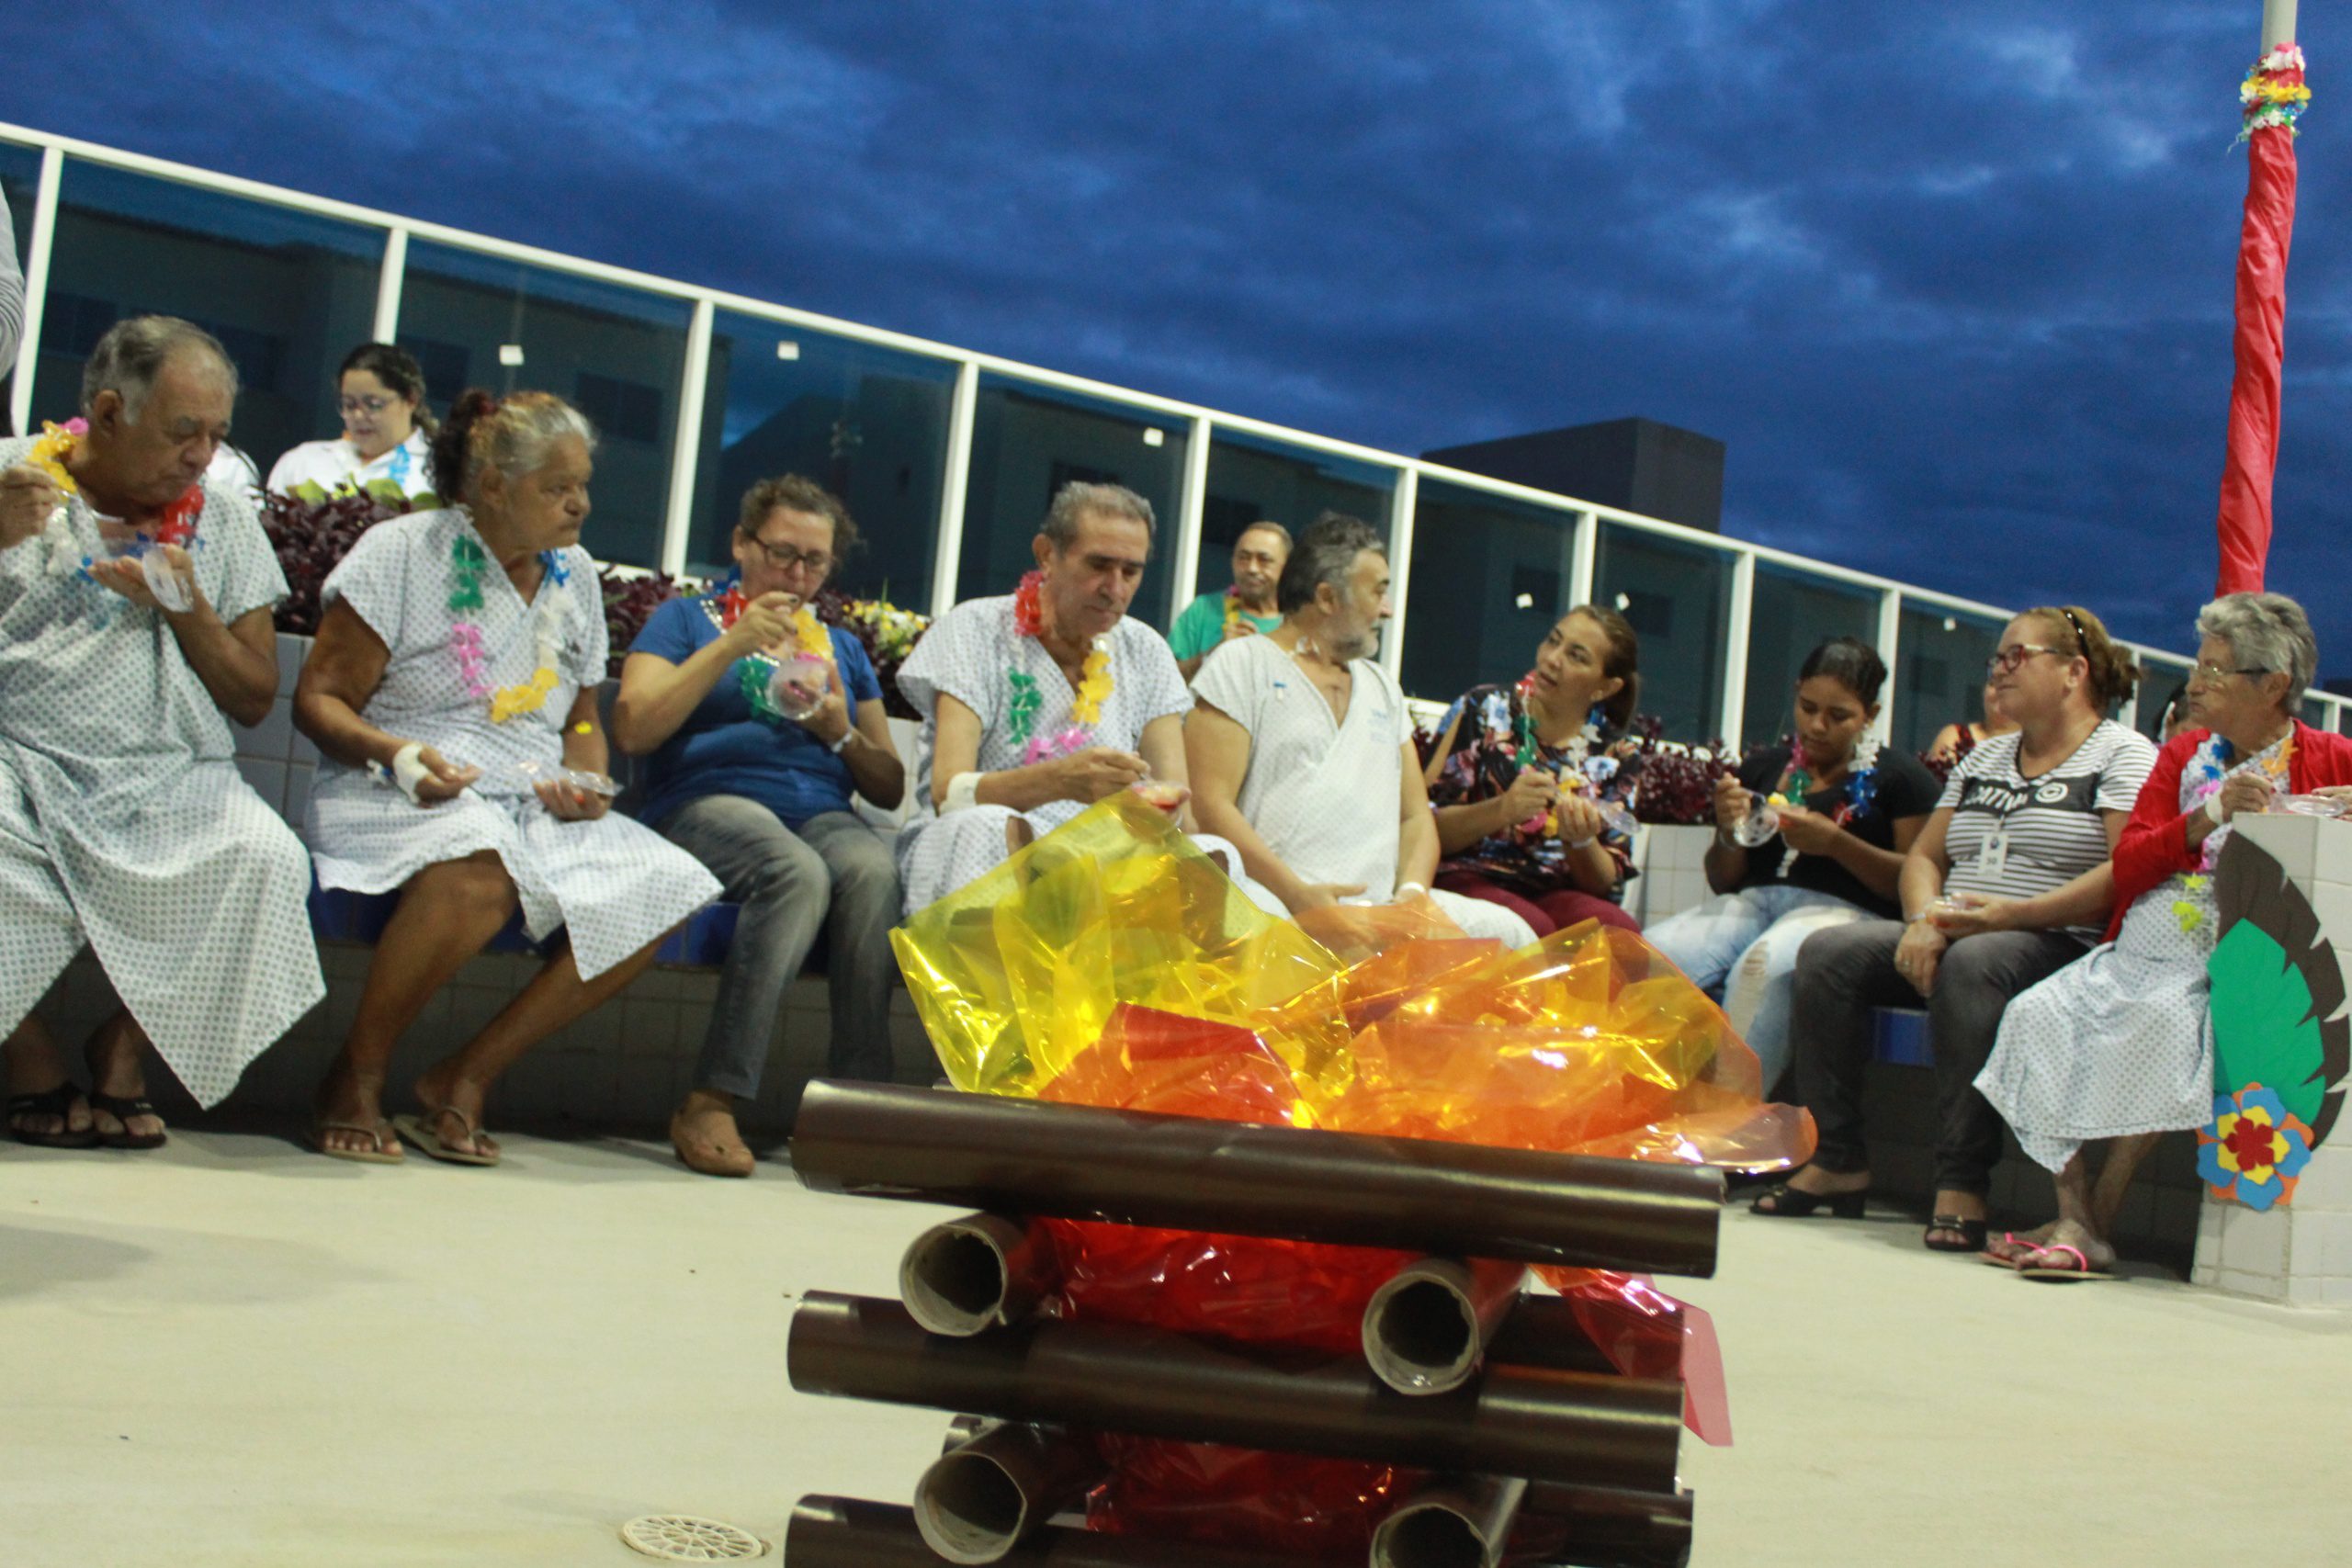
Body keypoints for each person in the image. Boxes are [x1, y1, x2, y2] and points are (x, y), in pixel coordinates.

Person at [296, 389, 720, 1165]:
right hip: (400, 780)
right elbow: (317, 700)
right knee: (480, 867)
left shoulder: (576, 576)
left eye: (584, 484)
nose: (581, 504)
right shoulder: (403, 551)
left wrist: (590, 784)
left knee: (665, 880)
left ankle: (463, 1075)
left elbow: (582, 714)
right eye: (559, 487)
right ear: (493, 485)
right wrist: (398, 755)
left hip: (530, 791)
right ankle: (353, 1076)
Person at [0, 316, 322, 1147]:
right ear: (108, 413)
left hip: (167, 779)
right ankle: (27, 1062)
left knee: (267, 859)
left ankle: (124, 1053)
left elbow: (254, 696)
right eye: (185, 431)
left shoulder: (221, 518)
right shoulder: (10, 481)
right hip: (16, 760)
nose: (203, 455)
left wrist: (189, 612)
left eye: (217, 434)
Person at [1756, 604, 2156, 1252]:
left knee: (1976, 964)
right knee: (1828, 951)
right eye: (1996, 658)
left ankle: (1961, 1180)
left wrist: (2008, 915)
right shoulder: (1986, 757)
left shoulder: (2123, 754)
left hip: (2057, 941)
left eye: (2015, 656)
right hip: (1958, 930)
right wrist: (1922, 921)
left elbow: (2123, 871)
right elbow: (1925, 857)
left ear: (2073, 671)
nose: (1997, 671)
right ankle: (1838, 1157)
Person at [1975, 594, 2352, 1276]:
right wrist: (2209, 811)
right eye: (2199, 666)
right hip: (2144, 936)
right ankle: (2078, 1218)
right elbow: (2130, 863)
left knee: (2166, 1024)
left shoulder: (2330, 756)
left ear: (2272, 685)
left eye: (2215, 670)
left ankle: (2092, 1220)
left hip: (2234, 950)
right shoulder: (2183, 756)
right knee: (2038, 1013)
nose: (2196, 683)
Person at [615, 475, 906, 1177]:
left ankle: (859, 1104)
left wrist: (840, 733)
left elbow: (889, 786)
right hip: (706, 800)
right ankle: (712, 1096)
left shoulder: (841, 648)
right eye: (782, 554)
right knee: (794, 872)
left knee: (873, 871)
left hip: (821, 809)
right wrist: (732, 642)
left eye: (815, 562)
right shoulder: (685, 620)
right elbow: (633, 727)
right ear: (742, 545)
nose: (798, 576)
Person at [896, 481, 1251, 912]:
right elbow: (948, 791)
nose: (1115, 588)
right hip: (974, 836)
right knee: (984, 826)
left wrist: (1161, 814)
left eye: (1131, 572)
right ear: (1047, 554)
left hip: (1100, 853)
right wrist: (1061, 780)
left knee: (1215, 853)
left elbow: (1178, 806)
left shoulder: (1146, 650)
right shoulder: (975, 629)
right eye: (1099, 565)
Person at [1186, 513, 1536, 949]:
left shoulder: (1382, 687)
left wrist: (1411, 898)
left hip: (1380, 912)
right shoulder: (1242, 664)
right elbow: (1209, 805)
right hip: (1273, 900)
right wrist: (1300, 899)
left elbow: (1415, 816)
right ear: (1328, 597)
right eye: (1378, 591)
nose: (1387, 610)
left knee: (1512, 934)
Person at [1643, 638, 1941, 1091]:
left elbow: (1915, 878)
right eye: (1807, 707)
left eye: (1839, 716)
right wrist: (1727, 829)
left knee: (1762, 966)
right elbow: (1724, 880)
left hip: (1843, 914)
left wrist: (1838, 844)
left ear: (1871, 715)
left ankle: (1730, 1138)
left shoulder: (1900, 779)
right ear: (1797, 692)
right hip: (1753, 903)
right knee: (1654, 953)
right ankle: (1629, 1111)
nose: (1818, 726)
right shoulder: (1764, 767)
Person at [1422, 605, 1645, 938]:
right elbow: (1422, 827)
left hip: (1554, 891)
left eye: (1576, 657)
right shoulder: (1483, 709)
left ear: (1605, 688)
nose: (1552, 659)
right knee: (1529, 928)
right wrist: (1502, 810)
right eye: (1552, 641)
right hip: (1468, 876)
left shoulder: (1617, 754)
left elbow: (1602, 884)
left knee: (1616, 933)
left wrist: (1581, 841)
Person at [266, 343, 440, 504]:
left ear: (411, 400)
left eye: (373, 404)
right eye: (349, 404)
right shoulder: (303, 461)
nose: (357, 415)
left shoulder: (436, 471)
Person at [1170, 521, 1290, 681]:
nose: (1252, 568)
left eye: (1264, 560)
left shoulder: (1298, 620)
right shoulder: (1203, 610)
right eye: (1243, 558)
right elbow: (1164, 680)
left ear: (1287, 567)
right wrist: (1213, 654)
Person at [1927, 679, 2015, 767]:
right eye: (1993, 683)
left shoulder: (2026, 751)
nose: (1999, 692)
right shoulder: (1955, 737)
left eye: (2011, 687)